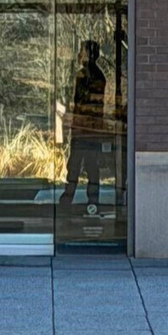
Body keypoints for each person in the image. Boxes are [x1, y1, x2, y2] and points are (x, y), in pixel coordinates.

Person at [65, 38, 115, 218]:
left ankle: (67, 200)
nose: (79, 54)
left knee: (75, 166)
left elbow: (80, 104)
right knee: (92, 169)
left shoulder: (83, 75)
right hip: (93, 129)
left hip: (82, 129)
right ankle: (92, 202)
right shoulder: (100, 75)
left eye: (82, 51)